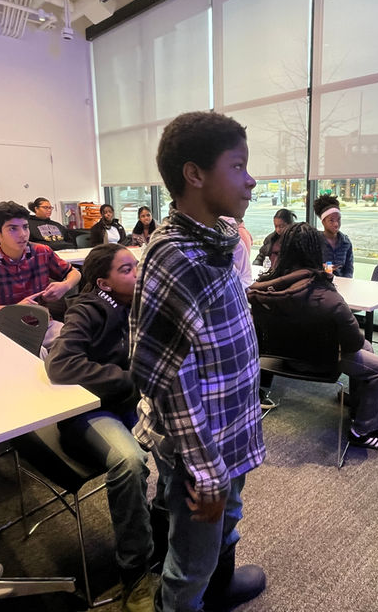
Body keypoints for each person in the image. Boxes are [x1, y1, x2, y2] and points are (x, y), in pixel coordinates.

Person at [130, 111, 266, 612]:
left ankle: (219, 588)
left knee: (227, 519)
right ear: (194, 174)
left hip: (230, 426)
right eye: (238, 166)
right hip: (198, 444)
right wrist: (205, 469)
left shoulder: (215, 238)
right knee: (191, 558)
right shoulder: (175, 254)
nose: (251, 180)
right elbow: (165, 376)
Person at [45, 243, 160, 612]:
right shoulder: (89, 309)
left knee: (181, 443)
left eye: (136, 266)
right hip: (90, 412)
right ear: (103, 283)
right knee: (131, 461)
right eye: (127, 270)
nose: (138, 274)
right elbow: (60, 365)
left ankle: (161, 534)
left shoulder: (136, 307)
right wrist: (128, 379)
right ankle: (135, 575)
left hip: (128, 406)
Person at [248, 222, 378, 452]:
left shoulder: (262, 290)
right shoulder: (326, 296)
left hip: (279, 358)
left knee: (367, 348)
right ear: (317, 252)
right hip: (321, 362)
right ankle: (364, 431)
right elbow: (352, 343)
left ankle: (362, 408)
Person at [0, 200, 81, 354]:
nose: (22, 234)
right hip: (3, 330)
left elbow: (75, 273)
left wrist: (65, 285)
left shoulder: (41, 252)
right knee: (38, 353)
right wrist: (13, 310)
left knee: (77, 341)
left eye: (25, 227)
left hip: (41, 325)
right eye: (12, 229)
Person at [313, 193, 353, 278]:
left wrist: (346, 281)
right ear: (323, 222)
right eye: (331, 220)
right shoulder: (315, 240)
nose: (336, 224)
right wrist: (322, 268)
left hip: (341, 283)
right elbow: (307, 266)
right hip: (320, 282)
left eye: (338, 219)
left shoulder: (346, 242)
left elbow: (349, 269)